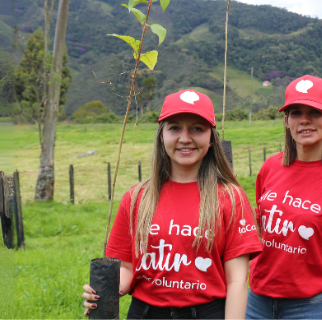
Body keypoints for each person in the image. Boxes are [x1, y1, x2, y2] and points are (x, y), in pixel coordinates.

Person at [82, 89, 262, 319]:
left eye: (197, 128)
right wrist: (106, 291)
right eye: (175, 127)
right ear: (161, 135)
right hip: (145, 313)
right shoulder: (137, 197)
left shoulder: (231, 198)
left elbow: (237, 281)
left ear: (211, 137)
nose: (185, 138)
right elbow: (127, 269)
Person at [246, 75, 322, 319]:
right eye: (296, 112)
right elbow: (260, 230)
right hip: (257, 301)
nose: (304, 120)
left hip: (310, 306)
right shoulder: (270, 168)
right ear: (286, 121)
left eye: (315, 112)